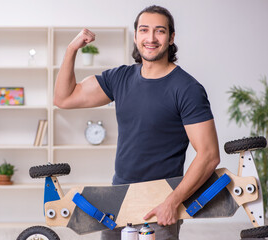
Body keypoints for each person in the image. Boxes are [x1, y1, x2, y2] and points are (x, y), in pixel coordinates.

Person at [54, 5, 220, 240]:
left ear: (171, 38)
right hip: (118, 200)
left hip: (160, 203)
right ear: (135, 36)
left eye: (160, 31)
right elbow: (64, 98)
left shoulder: (187, 89)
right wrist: (71, 49)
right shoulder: (120, 78)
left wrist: (172, 201)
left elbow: (209, 155)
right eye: (144, 30)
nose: (151, 38)